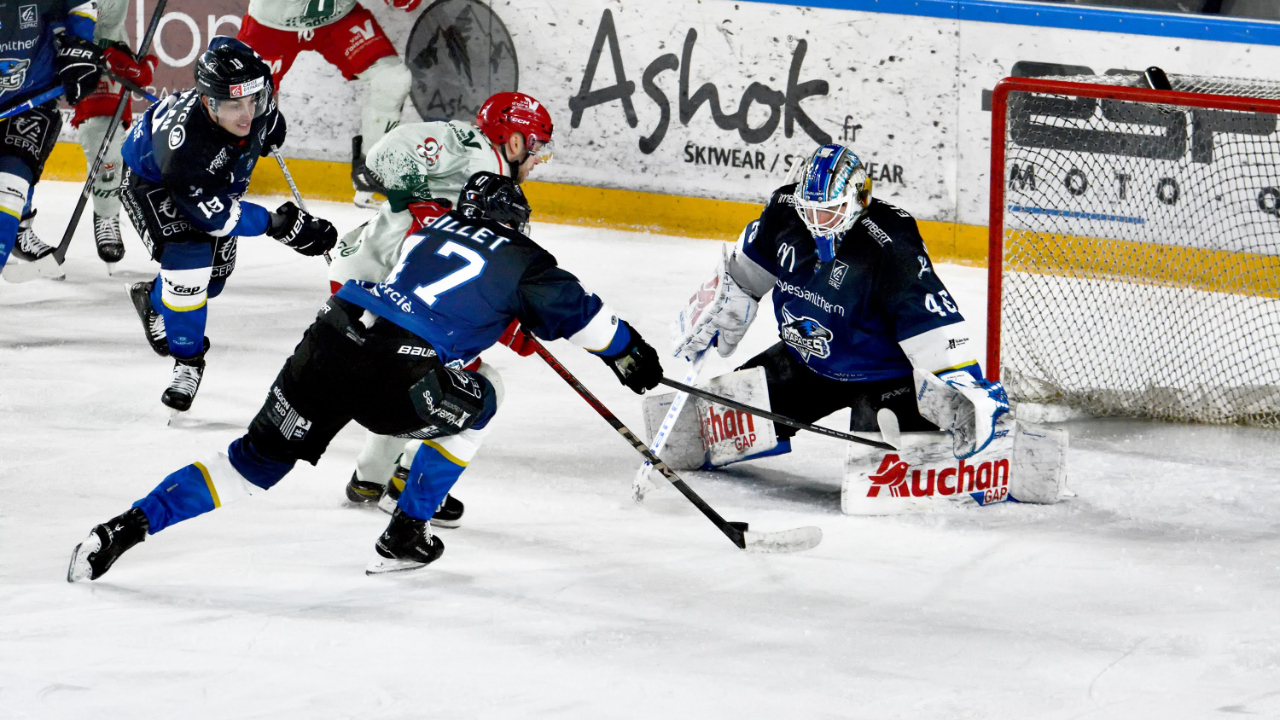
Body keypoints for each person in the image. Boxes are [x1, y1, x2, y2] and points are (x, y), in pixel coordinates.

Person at [68, 171, 664, 581]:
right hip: (402, 376)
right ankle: (406, 531)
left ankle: (127, 526)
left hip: (334, 333)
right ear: (516, 223)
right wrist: (628, 352)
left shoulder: (428, 232)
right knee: (482, 401)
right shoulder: (524, 259)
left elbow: (436, 292)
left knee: (251, 463)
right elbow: (585, 317)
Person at [673, 144, 1009, 461]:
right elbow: (746, 276)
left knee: (875, 471)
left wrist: (959, 383)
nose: (817, 223)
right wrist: (724, 306)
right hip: (805, 363)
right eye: (811, 211)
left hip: (883, 378)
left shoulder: (890, 246)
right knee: (716, 428)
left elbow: (931, 323)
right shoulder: (784, 215)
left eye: (830, 212)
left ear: (859, 200)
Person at [333, 91, 553, 521]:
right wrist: (420, 205)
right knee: (455, 387)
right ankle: (409, 484)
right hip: (383, 283)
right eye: (535, 144)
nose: (539, 158)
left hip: (381, 279)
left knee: (413, 381)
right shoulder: (474, 151)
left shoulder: (489, 175)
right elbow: (385, 153)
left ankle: (372, 479)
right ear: (512, 142)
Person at [119, 37, 337, 415]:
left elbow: (230, 55)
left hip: (212, 183)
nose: (247, 115)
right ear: (208, 102)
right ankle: (188, 362)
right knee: (189, 273)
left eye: (254, 101)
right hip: (155, 182)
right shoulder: (182, 152)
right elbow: (219, 219)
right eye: (235, 106)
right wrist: (283, 225)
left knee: (213, 282)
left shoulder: (252, 105)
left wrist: (269, 123)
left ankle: (152, 297)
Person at [235, 0, 419, 207]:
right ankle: (212, 175)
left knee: (392, 80)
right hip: (272, 25)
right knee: (240, 99)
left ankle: (371, 173)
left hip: (337, 20)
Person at [0, 0, 102, 282]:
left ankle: (17, 228)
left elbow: (79, 4)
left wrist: (78, 46)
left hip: (30, 95)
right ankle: (17, 225)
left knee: (11, 184)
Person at [70, 0, 158, 268]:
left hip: (104, 39)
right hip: (45, 35)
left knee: (105, 141)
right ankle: (18, 221)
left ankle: (106, 214)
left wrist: (114, 53)